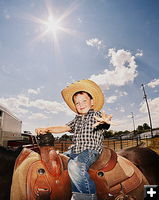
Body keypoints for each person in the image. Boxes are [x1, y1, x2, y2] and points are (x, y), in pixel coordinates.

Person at [35, 79, 113, 200]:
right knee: (56, 159)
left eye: (84, 101)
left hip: (90, 150)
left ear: (92, 102)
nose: (81, 104)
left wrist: (105, 122)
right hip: (75, 149)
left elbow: (104, 124)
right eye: (77, 103)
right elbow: (64, 127)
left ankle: (87, 197)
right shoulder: (76, 119)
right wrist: (47, 128)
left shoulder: (96, 115)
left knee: (75, 166)